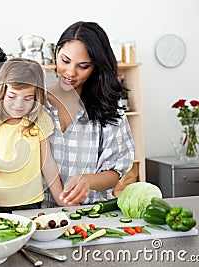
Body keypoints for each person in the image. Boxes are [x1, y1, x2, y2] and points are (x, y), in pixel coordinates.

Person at [45, 21, 135, 206]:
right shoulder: (36, 102)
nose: (70, 72)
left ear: (96, 67)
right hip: (40, 215)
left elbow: (115, 172)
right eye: (65, 61)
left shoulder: (109, 109)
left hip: (89, 214)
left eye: (83, 66)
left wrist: (88, 180)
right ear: (56, 52)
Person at [0, 58, 68, 213]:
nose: (19, 104)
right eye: (12, 96)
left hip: (31, 202)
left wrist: (61, 198)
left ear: (36, 97)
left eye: (28, 98)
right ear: (1, 92)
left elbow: (47, 163)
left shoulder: (40, 120)